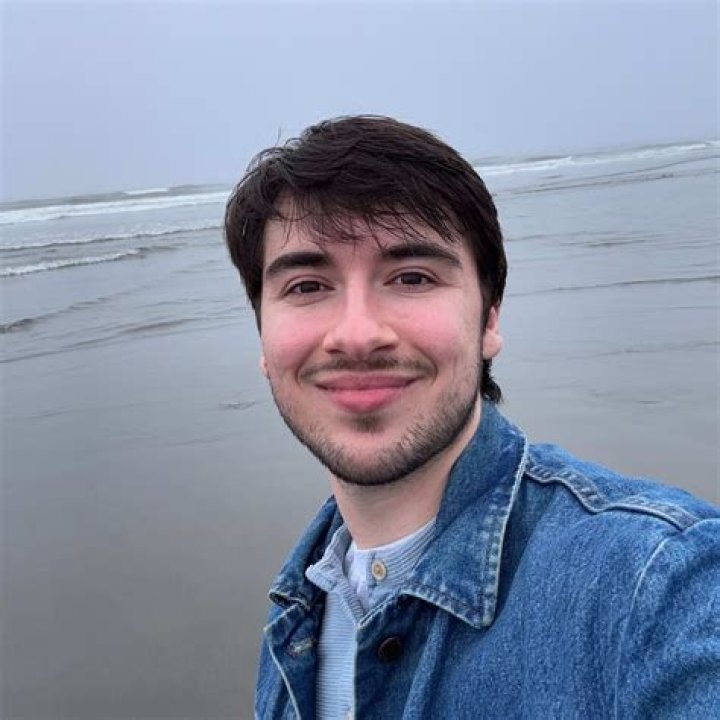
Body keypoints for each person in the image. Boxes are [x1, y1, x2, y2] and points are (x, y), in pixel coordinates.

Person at [224, 116, 720, 719]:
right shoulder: (299, 608)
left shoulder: (658, 584)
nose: (356, 335)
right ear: (262, 335)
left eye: (411, 277)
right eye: (306, 286)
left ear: (489, 319)